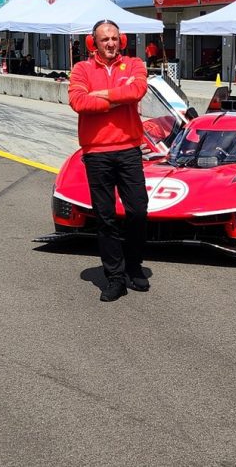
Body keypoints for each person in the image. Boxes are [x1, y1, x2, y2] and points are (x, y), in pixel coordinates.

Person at [68, 19, 150, 302]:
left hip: (129, 149)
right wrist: (118, 98)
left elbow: (137, 91)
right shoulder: (81, 69)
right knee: (105, 217)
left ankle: (134, 264)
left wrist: (101, 95)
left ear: (121, 39)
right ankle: (115, 277)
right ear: (94, 43)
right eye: (105, 39)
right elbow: (79, 102)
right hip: (97, 153)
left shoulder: (136, 64)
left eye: (114, 38)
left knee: (138, 210)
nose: (111, 43)